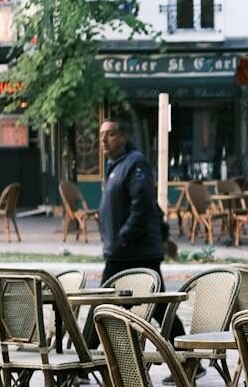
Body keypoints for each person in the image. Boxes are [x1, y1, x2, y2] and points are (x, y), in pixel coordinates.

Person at [85, 117, 184, 352]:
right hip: (124, 250)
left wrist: (123, 237)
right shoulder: (114, 166)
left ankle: (84, 358)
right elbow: (151, 205)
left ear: (124, 137)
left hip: (133, 249)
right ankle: (187, 357)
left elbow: (142, 206)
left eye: (109, 134)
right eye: (101, 135)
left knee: (105, 303)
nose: (103, 140)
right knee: (154, 305)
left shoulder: (135, 164)